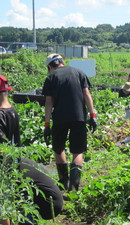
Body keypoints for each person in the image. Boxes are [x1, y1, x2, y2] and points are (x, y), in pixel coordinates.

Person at [0, 75, 63, 225]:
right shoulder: (11, 110)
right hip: (13, 163)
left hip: (4, 167)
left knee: (5, 206)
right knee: (16, 203)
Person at [42, 54, 97, 192]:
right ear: (62, 62)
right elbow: (87, 94)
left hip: (59, 118)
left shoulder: (51, 78)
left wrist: (47, 124)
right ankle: (73, 187)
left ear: (50, 66)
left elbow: (49, 103)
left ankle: (63, 183)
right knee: (78, 151)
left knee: (58, 148)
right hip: (79, 117)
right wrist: (93, 115)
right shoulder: (79, 73)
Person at [0, 75, 20, 146]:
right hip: (15, 155)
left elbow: (2, 145)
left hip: (5, 156)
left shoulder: (1, 114)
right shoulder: (13, 110)